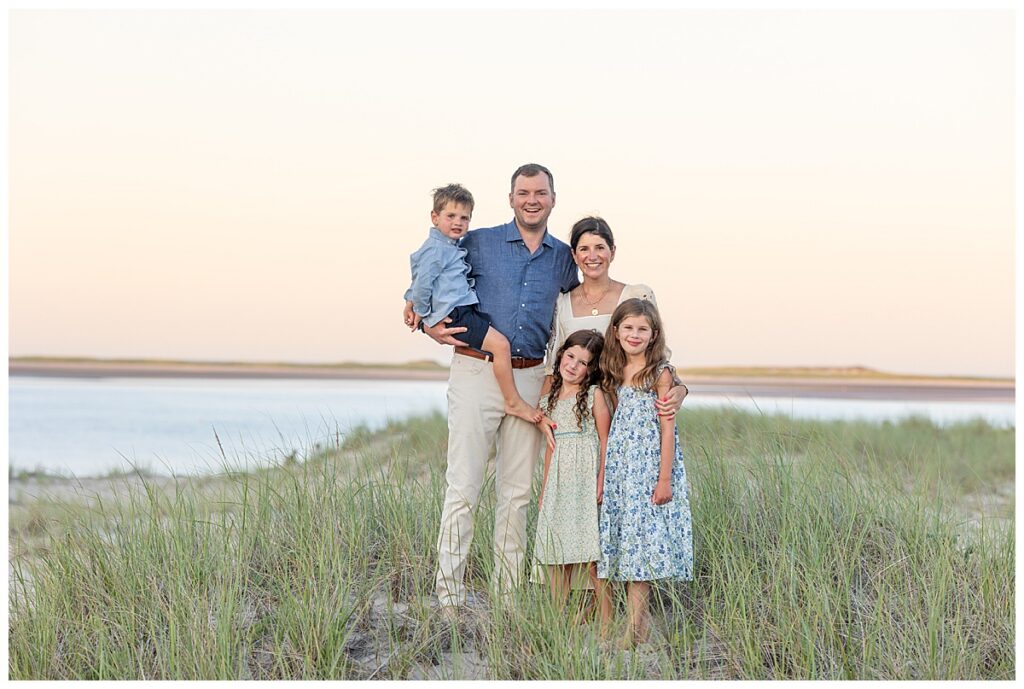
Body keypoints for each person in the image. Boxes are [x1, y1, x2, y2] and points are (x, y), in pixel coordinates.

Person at [598, 298, 694, 647]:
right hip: (622, 470)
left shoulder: (660, 373)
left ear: (654, 335)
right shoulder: (613, 369)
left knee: (641, 551)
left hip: (649, 468)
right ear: (616, 331)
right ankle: (638, 625)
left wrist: (664, 479)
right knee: (627, 546)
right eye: (628, 328)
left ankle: (634, 630)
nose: (634, 335)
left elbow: (667, 429)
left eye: (642, 329)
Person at [403, 184, 542, 424]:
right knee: (500, 346)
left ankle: (509, 398)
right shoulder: (437, 249)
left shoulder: (449, 245)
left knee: (498, 344)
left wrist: (410, 299)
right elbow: (423, 282)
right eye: (451, 216)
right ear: (435, 217)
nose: (458, 222)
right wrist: (425, 317)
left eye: (464, 218)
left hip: (463, 310)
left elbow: (419, 276)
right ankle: (513, 401)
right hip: (456, 314)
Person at [542, 216, 686, 413]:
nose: (592, 256)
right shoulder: (562, 302)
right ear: (574, 255)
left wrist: (681, 389)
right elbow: (553, 367)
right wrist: (544, 413)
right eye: (584, 249)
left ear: (613, 251)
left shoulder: (637, 295)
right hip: (579, 411)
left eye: (600, 247)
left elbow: (658, 356)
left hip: (626, 408)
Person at [532, 330, 612, 630]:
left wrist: (601, 479)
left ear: (592, 370)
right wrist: (545, 488)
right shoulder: (549, 393)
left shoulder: (593, 395)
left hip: (584, 477)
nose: (574, 366)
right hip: (559, 480)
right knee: (556, 552)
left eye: (583, 363)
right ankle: (557, 619)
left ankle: (605, 622)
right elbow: (550, 447)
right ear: (561, 355)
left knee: (591, 553)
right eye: (570, 357)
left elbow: (605, 441)